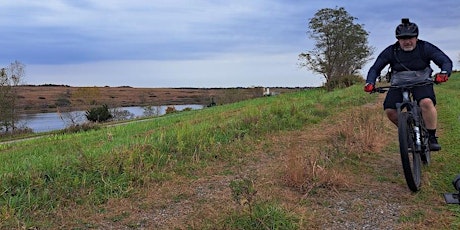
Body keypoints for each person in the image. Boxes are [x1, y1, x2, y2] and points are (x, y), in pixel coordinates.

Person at [364, 18, 453, 151]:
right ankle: (407, 132)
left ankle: (431, 136)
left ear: (416, 38)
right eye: (403, 38)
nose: (407, 41)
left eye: (410, 38)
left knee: (426, 103)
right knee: (390, 110)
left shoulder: (425, 47)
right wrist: (370, 82)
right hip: (398, 84)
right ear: (398, 39)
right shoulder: (391, 51)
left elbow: (445, 61)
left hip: (422, 82)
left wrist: (444, 73)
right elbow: (375, 68)